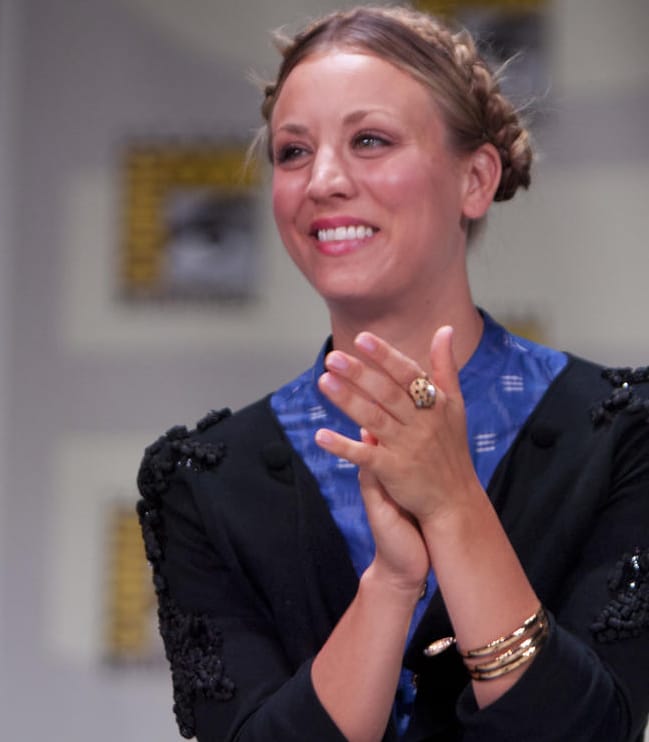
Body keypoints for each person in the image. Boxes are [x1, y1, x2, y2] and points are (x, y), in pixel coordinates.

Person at [136, 6, 649, 741]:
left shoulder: (620, 432)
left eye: (368, 141)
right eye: (291, 152)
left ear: (474, 180)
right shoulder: (204, 480)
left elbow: (589, 732)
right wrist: (390, 585)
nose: (323, 181)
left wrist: (454, 508)